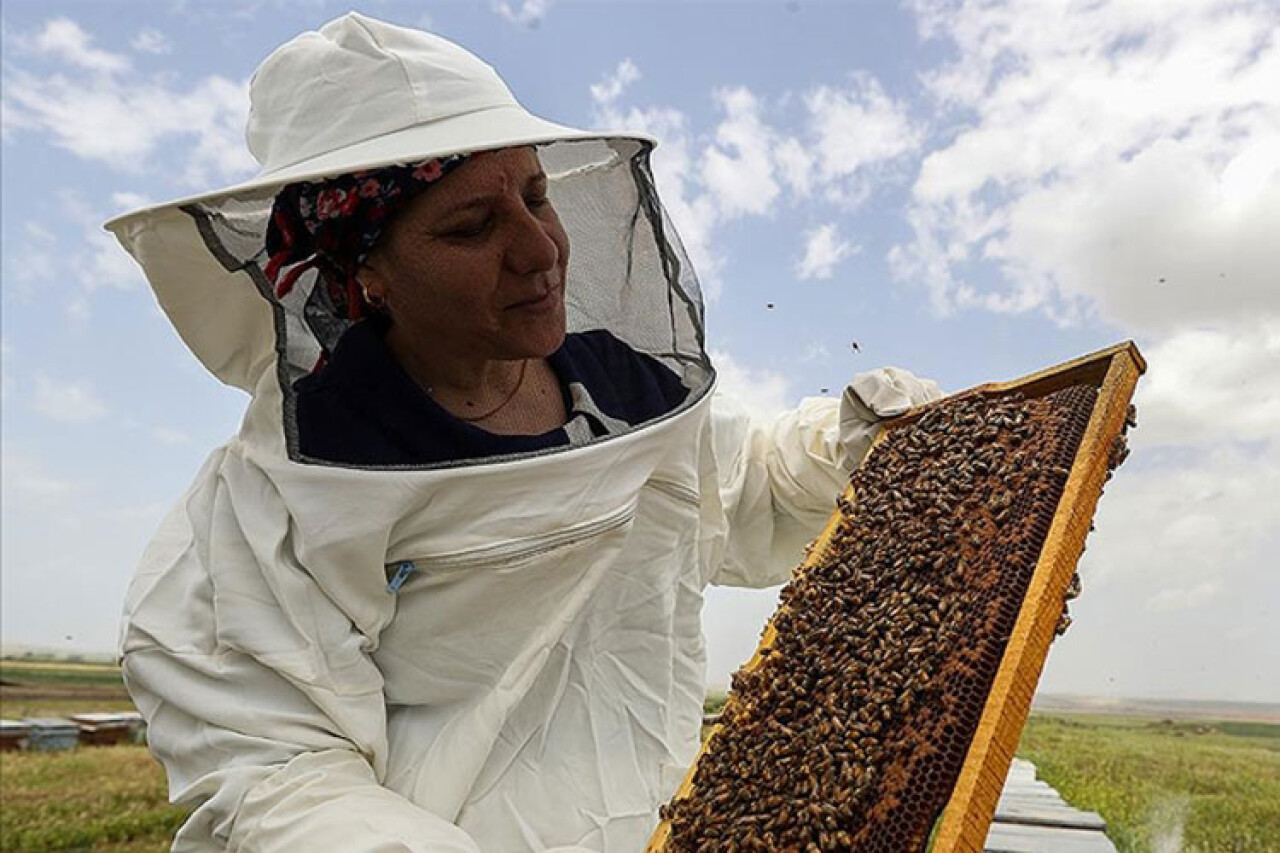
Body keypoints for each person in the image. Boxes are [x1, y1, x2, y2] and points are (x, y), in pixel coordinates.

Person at [108, 13, 941, 853]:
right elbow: (279, 774)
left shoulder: (628, 391)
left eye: (537, 196)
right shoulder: (273, 504)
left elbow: (742, 489)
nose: (539, 247)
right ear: (366, 270)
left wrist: (845, 448)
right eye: (471, 227)